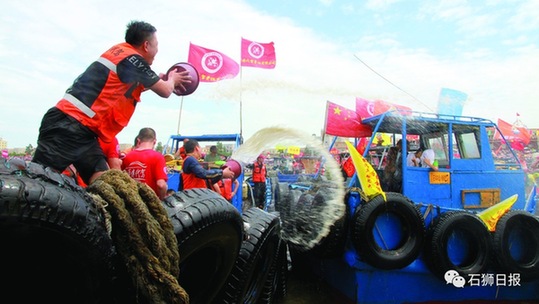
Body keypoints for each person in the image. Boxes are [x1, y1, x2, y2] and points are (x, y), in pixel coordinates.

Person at [32, 20, 193, 186]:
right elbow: (165, 91)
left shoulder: (120, 53)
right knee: (38, 182)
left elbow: (122, 90)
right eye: (156, 45)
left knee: (104, 182)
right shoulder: (134, 59)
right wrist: (173, 79)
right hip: (67, 125)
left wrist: (154, 81)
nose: (157, 51)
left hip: (83, 132)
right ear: (146, 45)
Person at [122, 128, 169, 200]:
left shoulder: (127, 156)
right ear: (154, 141)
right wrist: (162, 199)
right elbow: (161, 185)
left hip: (131, 202)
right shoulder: (158, 157)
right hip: (150, 204)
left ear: (138, 140)